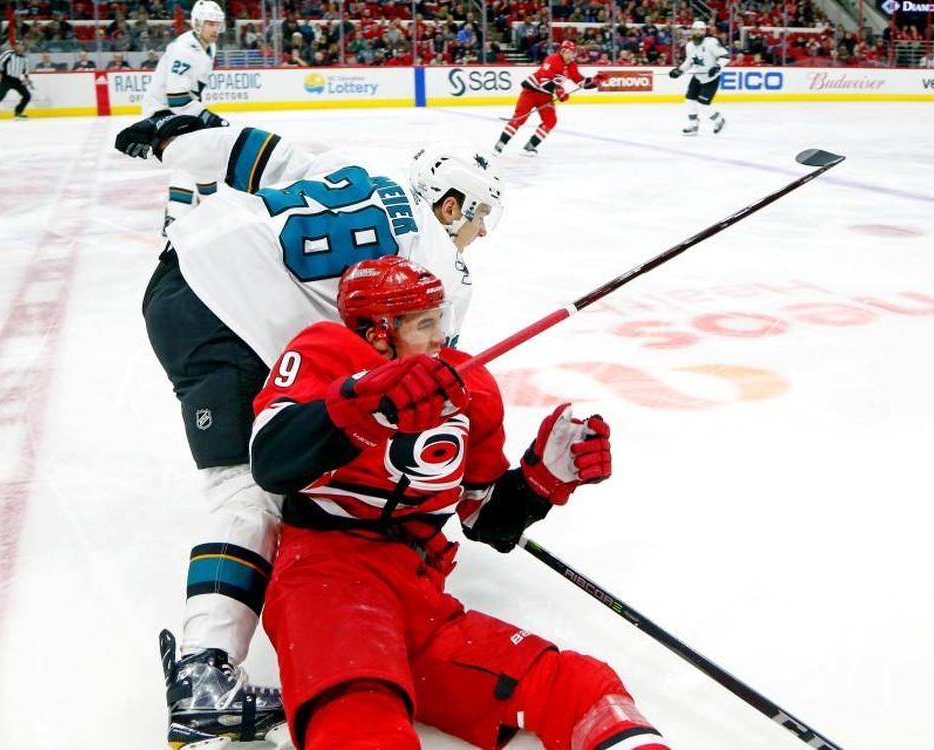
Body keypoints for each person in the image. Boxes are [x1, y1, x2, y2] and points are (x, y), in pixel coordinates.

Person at [114, 116, 506, 748]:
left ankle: (208, 663)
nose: (482, 230)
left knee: (267, 458)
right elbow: (424, 388)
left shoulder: (353, 168)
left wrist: (171, 138)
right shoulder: (438, 270)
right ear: (451, 201)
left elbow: (240, 150)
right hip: (233, 314)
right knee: (250, 489)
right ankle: (204, 676)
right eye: (480, 214)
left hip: (178, 275)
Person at [248, 256, 671, 750]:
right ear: (379, 331)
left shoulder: (466, 384)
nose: (439, 338)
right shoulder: (325, 351)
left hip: (421, 594)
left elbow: (484, 521)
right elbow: (271, 458)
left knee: (582, 686)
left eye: (440, 320)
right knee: (361, 720)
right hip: (328, 578)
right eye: (425, 324)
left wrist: (542, 480)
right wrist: (368, 404)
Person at [143, 0, 229, 233]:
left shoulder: (208, 47)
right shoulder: (184, 50)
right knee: (192, 156)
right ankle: (179, 216)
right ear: (198, 23)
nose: (215, 29)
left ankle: (197, 211)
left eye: (218, 24)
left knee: (200, 157)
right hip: (161, 113)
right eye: (210, 23)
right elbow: (177, 98)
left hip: (180, 112)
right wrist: (209, 118)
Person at [492, 39, 598, 157]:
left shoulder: (572, 65)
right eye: (567, 52)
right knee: (519, 118)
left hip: (546, 95)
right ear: (561, 52)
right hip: (531, 92)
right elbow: (544, 80)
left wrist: (595, 81)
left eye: (572, 52)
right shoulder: (552, 59)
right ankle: (500, 144)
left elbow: (580, 81)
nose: (570, 55)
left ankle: (530, 146)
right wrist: (559, 91)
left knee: (550, 121)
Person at [668, 20, 730, 136]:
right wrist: (679, 70)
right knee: (689, 100)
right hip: (697, 77)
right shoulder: (689, 45)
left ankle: (719, 120)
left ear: (705, 32)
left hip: (711, 79)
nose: (698, 32)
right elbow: (689, 62)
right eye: (695, 30)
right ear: (692, 31)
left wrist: (717, 67)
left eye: (701, 30)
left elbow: (725, 56)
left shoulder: (711, 42)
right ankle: (694, 125)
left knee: (703, 105)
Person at [0, 41, 32, 120]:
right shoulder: (9, 53)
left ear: (24, 47)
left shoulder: (24, 58)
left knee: (27, 96)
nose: (20, 47)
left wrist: (26, 78)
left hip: (17, 79)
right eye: (18, 45)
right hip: (6, 78)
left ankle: (18, 113)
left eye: (21, 45)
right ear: (15, 47)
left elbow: (26, 69)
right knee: (0, 95)